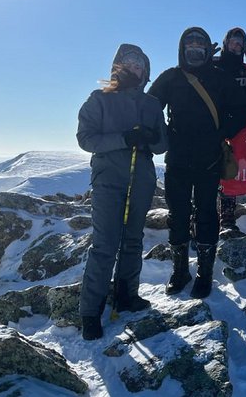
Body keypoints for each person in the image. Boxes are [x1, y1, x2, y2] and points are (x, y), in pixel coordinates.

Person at [76, 44, 167, 340]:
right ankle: (90, 311)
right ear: (117, 66)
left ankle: (127, 295)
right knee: (104, 244)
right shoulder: (100, 99)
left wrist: (151, 139)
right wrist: (124, 138)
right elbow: (86, 139)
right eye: (128, 62)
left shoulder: (152, 104)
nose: (134, 68)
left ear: (146, 71)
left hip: (140, 178)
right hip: (108, 178)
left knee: (132, 239)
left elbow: (162, 145)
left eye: (139, 64)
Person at [148, 27, 223, 299]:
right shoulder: (170, 77)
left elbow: (238, 109)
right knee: (177, 214)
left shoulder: (218, 77)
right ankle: (180, 271)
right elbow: (149, 107)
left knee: (207, 213)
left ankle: (205, 274)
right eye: (190, 42)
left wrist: (220, 135)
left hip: (209, 158)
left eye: (199, 43)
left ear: (206, 48)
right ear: (182, 47)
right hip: (178, 158)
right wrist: (156, 134)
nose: (194, 47)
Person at [217, 27, 246, 233]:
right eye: (233, 42)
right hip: (211, 128)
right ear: (226, 42)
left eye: (240, 44)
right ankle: (198, 220)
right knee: (206, 176)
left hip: (237, 129)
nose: (237, 46)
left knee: (230, 173)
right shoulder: (212, 65)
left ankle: (227, 219)